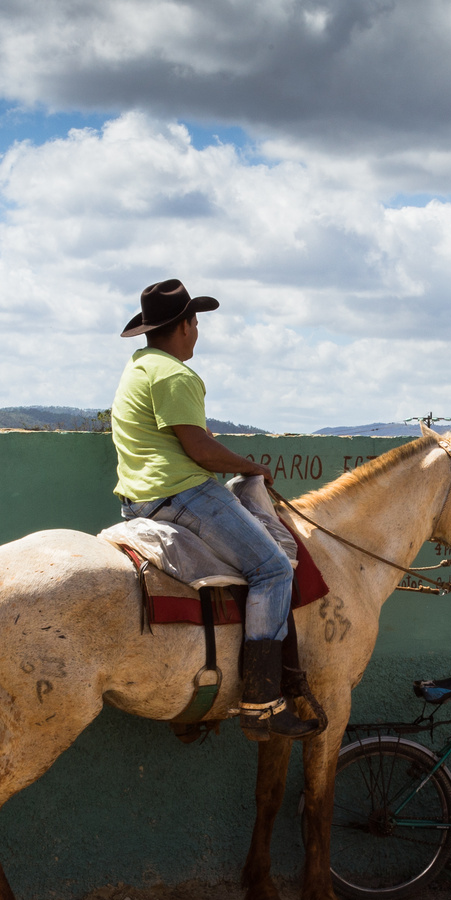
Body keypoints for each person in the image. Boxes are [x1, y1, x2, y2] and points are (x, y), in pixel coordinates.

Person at [112, 279, 322, 742]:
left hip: (139, 500)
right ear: (183, 326)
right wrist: (254, 468)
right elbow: (200, 450)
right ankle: (262, 701)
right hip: (183, 493)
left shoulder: (138, 367)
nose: (198, 330)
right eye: (196, 321)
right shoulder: (176, 376)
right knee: (272, 569)